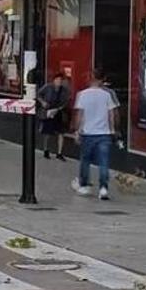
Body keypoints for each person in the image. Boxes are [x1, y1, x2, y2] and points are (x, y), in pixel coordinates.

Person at [72, 68, 120, 200]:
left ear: (91, 79)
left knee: (85, 160)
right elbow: (111, 114)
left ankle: (84, 185)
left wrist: (77, 130)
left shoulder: (82, 94)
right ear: (101, 80)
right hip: (104, 133)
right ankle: (103, 188)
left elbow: (79, 115)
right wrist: (113, 130)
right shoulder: (106, 95)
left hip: (87, 133)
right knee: (104, 162)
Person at [36, 72, 71, 160]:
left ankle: (59, 153)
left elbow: (66, 101)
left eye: (60, 80)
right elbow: (38, 94)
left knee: (61, 132)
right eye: (57, 80)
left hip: (58, 111)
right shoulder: (48, 87)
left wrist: (59, 108)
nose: (59, 82)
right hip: (49, 111)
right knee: (47, 132)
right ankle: (46, 150)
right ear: (54, 80)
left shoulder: (64, 90)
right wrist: (43, 102)